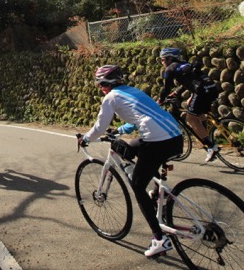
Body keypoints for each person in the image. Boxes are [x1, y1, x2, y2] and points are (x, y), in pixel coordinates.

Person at [78, 64, 183, 258]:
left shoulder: (110, 98)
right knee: (131, 147)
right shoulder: (133, 91)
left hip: (157, 141)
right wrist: (119, 131)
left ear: (106, 83)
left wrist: (85, 139)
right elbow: (139, 116)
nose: (100, 88)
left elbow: (100, 127)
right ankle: (159, 192)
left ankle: (159, 239)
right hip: (175, 137)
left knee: (136, 185)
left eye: (100, 84)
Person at [157, 47, 220, 163]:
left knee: (190, 119)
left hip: (202, 92)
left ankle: (211, 147)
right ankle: (207, 134)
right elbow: (188, 82)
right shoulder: (185, 65)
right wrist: (176, 93)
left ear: (169, 58)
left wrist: (160, 100)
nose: (162, 62)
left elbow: (166, 88)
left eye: (162, 60)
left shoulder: (170, 69)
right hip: (212, 88)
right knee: (194, 109)